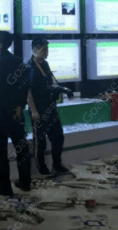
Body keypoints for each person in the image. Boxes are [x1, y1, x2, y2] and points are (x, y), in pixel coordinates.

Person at [0, 30, 32, 196]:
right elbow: (25, 85)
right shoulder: (18, 61)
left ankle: (4, 187)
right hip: (15, 113)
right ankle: (25, 182)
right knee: (22, 148)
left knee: (0, 153)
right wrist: (19, 105)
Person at [26, 37, 73, 175]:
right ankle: (42, 168)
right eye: (44, 49)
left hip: (50, 106)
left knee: (58, 136)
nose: (47, 52)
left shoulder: (45, 64)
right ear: (35, 49)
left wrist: (63, 89)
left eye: (47, 49)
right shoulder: (28, 66)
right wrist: (33, 110)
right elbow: (27, 91)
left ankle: (57, 164)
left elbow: (51, 83)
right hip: (38, 108)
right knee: (40, 140)